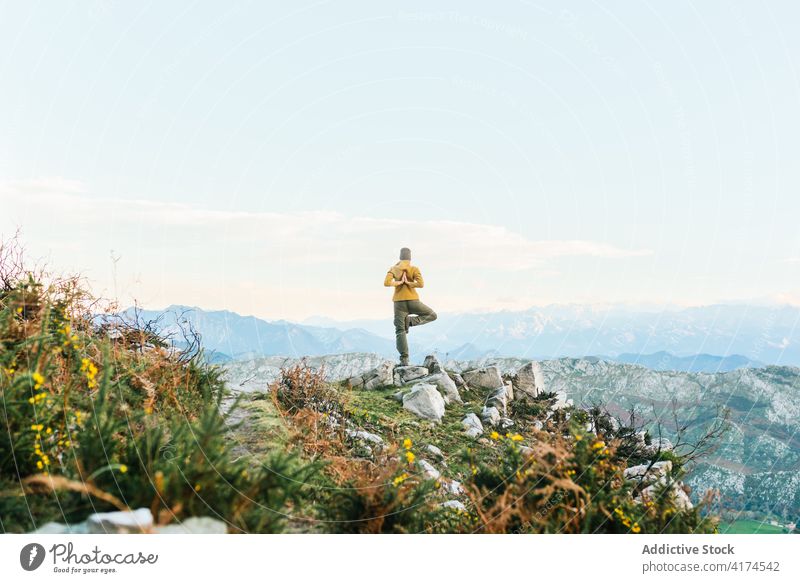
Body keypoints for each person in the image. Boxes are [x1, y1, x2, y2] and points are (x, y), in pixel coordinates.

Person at [383, 247, 437, 366]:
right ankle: (411, 321)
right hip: (413, 301)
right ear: (410, 258)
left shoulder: (394, 269)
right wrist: (409, 283)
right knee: (432, 315)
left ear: (400, 257)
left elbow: (386, 283)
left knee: (400, 330)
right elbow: (421, 284)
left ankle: (404, 359)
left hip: (399, 303)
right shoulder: (414, 268)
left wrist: (398, 282)